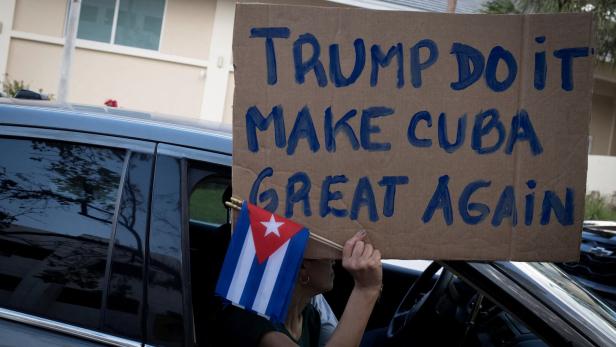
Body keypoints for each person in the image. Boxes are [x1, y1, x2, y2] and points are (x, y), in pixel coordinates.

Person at [217, 230, 382, 347]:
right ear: (302, 267)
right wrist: (366, 290)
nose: (333, 260)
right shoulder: (250, 319)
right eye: (324, 254)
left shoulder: (310, 316)